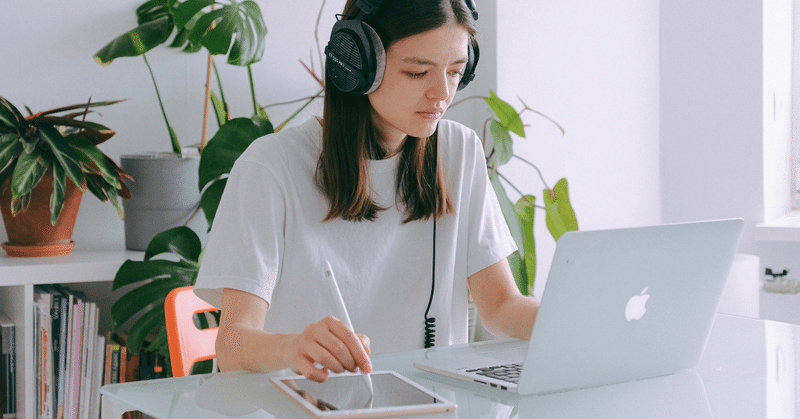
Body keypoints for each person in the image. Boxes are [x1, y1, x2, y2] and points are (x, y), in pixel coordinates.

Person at [193, 0, 540, 383]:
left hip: (432, 408)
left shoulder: (459, 151)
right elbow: (232, 346)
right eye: (417, 72)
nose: (441, 93)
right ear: (356, 65)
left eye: (456, 72)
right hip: (300, 405)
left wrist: (584, 319)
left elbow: (501, 306)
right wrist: (291, 347)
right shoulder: (270, 167)